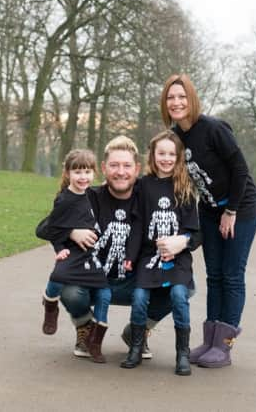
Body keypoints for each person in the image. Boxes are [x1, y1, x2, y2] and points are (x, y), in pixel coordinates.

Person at [37, 136, 173, 361]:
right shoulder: (89, 196)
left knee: (182, 287)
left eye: (127, 166)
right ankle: (85, 326)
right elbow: (43, 228)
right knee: (68, 288)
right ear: (103, 168)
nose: (121, 172)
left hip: (132, 282)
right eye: (114, 165)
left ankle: (137, 331)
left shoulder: (147, 199)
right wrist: (72, 232)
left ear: (137, 168)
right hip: (92, 280)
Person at [160, 73, 256, 368]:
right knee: (213, 275)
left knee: (231, 274)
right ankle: (209, 341)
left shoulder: (213, 128)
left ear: (191, 99)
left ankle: (224, 345)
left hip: (240, 209)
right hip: (209, 209)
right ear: (165, 104)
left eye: (181, 96)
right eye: (170, 97)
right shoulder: (176, 137)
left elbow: (241, 170)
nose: (176, 102)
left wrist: (232, 212)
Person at [120, 131, 200, 376]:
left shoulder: (185, 188)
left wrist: (182, 242)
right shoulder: (143, 186)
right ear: (153, 156)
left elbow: (195, 234)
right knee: (140, 296)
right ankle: (135, 347)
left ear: (178, 158)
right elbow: (137, 225)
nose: (166, 158)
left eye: (171, 154)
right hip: (147, 256)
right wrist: (130, 257)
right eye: (161, 153)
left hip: (178, 259)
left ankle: (182, 353)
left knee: (178, 294)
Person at [40, 149, 113, 363]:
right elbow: (50, 227)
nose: (83, 177)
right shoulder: (64, 200)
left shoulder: (92, 195)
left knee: (105, 295)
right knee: (58, 275)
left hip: (91, 256)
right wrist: (59, 247)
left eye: (88, 172)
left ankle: (95, 342)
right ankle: (50, 305)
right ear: (68, 173)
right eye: (78, 172)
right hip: (72, 252)